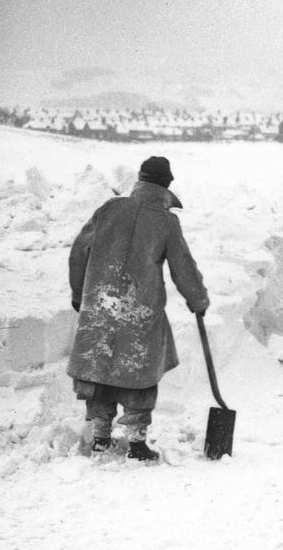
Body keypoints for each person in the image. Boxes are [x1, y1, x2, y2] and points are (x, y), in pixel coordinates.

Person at [68, 155, 210, 461]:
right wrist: (198, 300)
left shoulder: (109, 209)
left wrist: (79, 294)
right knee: (139, 374)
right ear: (167, 185)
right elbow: (183, 267)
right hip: (140, 311)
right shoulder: (166, 222)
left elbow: (79, 251)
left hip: (101, 306)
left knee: (101, 370)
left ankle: (101, 438)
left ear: (139, 179)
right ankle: (136, 443)